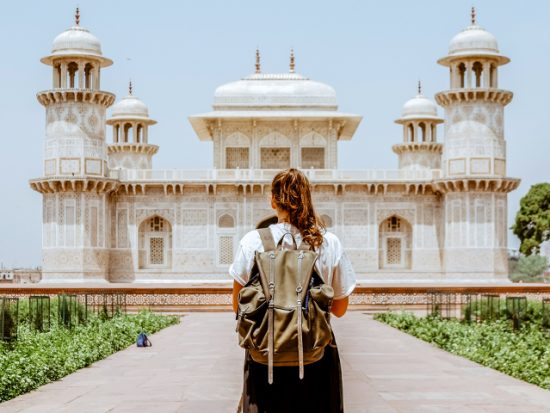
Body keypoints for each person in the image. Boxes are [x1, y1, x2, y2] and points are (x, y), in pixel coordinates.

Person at [229, 168, 356, 413]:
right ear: (308, 198)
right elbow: (340, 309)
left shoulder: (252, 241)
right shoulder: (327, 242)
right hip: (315, 356)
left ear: (273, 200)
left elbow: (237, 305)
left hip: (264, 356)